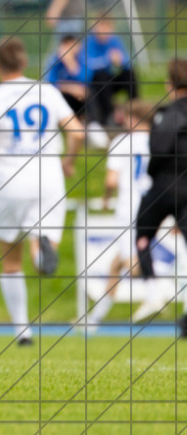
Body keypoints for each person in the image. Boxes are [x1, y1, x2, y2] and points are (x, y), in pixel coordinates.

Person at [0, 38, 84, 346]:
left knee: (9, 260)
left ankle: (22, 330)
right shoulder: (47, 91)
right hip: (49, 179)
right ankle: (40, 250)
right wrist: (69, 161)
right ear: (25, 63)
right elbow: (77, 132)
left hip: (10, 182)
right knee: (40, 236)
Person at [83, 100, 154, 330]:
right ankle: (93, 320)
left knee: (130, 263)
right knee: (116, 265)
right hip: (156, 205)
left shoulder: (123, 142)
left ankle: (155, 293)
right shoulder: (161, 139)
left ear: (133, 118)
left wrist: (105, 198)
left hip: (129, 208)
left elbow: (111, 179)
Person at [134, 59, 187, 336]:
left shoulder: (168, 115)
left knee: (143, 234)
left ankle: (153, 290)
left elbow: (159, 147)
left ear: (170, 84)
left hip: (166, 186)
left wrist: (156, 174)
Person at [43, 35, 109, 149]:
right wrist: (69, 87)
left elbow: (86, 78)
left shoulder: (81, 59)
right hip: (62, 97)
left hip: (79, 98)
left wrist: (71, 63)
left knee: (88, 92)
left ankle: (94, 126)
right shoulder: (54, 61)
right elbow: (49, 84)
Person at [85, 15, 139, 127]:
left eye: (107, 28)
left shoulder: (114, 40)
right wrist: (107, 59)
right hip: (95, 84)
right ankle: (109, 115)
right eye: (102, 28)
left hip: (110, 81)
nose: (105, 32)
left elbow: (127, 61)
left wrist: (121, 61)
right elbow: (88, 65)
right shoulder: (89, 42)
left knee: (129, 74)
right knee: (101, 75)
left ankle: (135, 110)